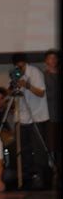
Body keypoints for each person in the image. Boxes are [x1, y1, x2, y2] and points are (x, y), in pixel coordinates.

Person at [9, 53, 50, 188]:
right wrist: (13, 86)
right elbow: (11, 94)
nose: (19, 68)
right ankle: (26, 177)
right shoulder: (15, 73)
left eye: (21, 66)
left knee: (38, 150)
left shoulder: (35, 72)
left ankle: (41, 178)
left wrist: (27, 85)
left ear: (25, 63)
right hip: (22, 117)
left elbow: (41, 92)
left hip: (37, 116)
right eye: (17, 66)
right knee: (23, 149)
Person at [43, 49, 60, 181]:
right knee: (51, 145)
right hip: (50, 115)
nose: (53, 60)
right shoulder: (43, 76)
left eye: (55, 58)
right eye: (50, 58)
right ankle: (53, 171)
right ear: (46, 61)